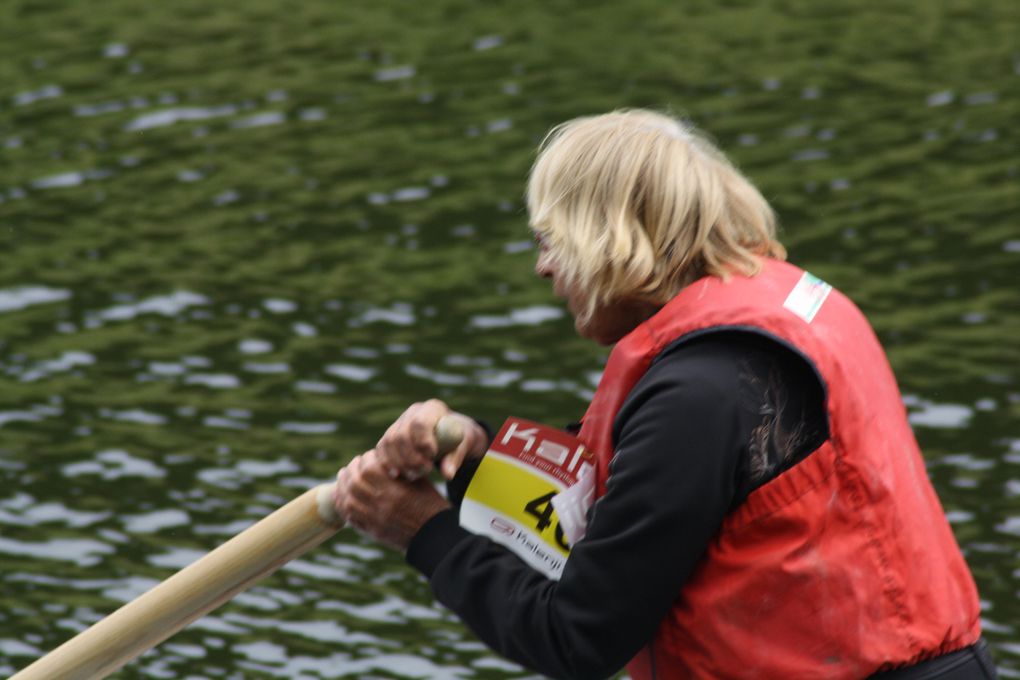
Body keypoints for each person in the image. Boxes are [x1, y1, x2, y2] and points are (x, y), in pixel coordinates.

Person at [333, 109, 994, 679]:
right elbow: (636, 495)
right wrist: (473, 451)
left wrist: (422, 532)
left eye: (549, 240)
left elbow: (575, 636)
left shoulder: (699, 395)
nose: (542, 268)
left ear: (609, 240)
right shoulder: (766, 333)